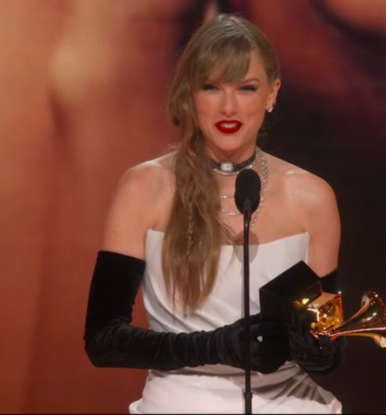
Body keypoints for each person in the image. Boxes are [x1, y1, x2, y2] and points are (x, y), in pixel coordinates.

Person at [83, 14, 346, 414]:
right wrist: (217, 346)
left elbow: (327, 339)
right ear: (190, 93)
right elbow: (103, 340)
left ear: (272, 94)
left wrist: (320, 351)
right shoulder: (144, 189)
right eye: (212, 87)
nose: (228, 106)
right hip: (179, 404)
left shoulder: (313, 198)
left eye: (246, 88)